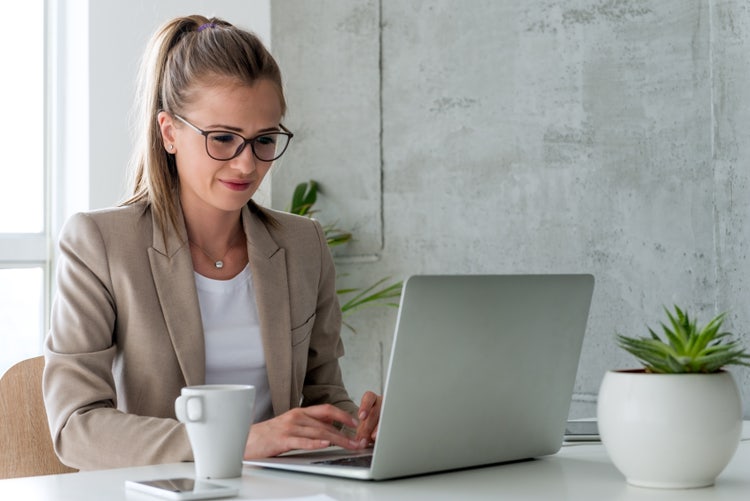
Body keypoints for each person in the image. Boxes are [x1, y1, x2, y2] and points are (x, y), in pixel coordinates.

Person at [42, 14, 381, 470]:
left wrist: (356, 429)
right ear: (169, 133)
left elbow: (323, 395)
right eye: (223, 138)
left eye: (264, 139)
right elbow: (76, 428)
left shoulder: (304, 245)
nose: (246, 165)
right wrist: (235, 441)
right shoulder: (99, 244)